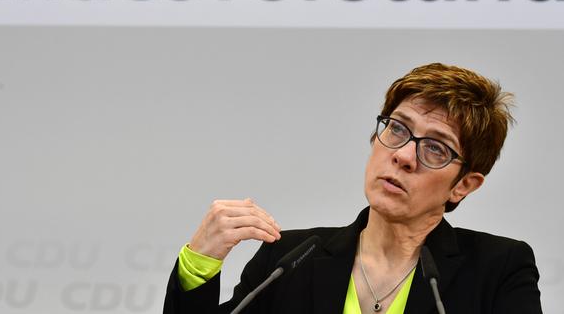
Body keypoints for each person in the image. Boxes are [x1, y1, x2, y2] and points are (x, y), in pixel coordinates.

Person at [163, 63, 543, 314]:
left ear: (463, 185)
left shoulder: (498, 269)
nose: (405, 156)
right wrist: (199, 264)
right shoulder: (288, 260)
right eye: (397, 128)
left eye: (435, 148)